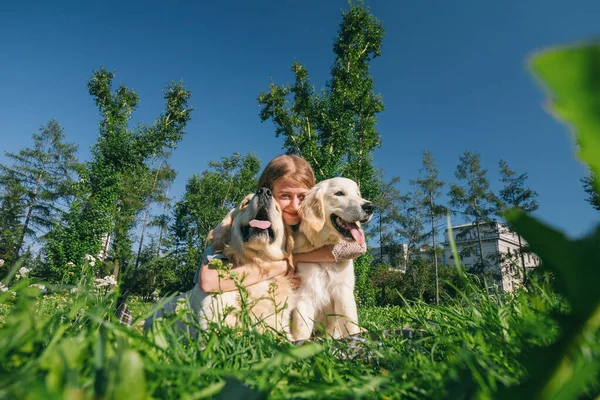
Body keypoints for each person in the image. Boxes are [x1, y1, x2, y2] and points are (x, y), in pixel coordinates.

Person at [194, 154, 367, 294]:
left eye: (302, 197)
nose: (295, 206)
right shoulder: (242, 220)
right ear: (267, 194)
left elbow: (357, 247)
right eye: (285, 196)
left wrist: (294, 258)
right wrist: (282, 267)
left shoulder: (314, 220)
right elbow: (208, 282)